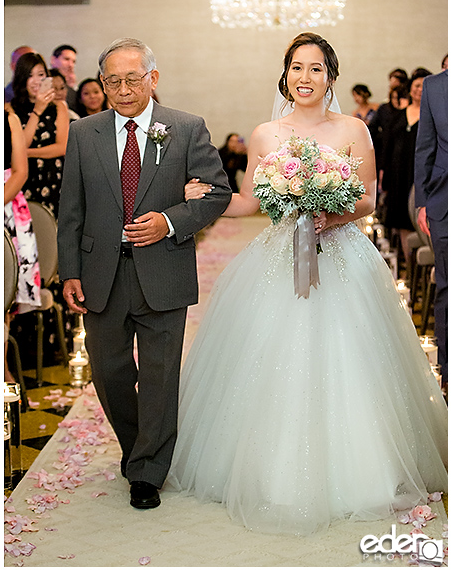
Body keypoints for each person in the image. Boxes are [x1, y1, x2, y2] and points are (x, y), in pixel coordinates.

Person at [168, 33, 447, 535]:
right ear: (285, 75)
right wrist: (207, 196)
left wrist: (331, 213)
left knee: (353, 358)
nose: (305, 78)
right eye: (296, 68)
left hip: (341, 256)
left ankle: (362, 470)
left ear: (331, 77)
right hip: (278, 258)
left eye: (316, 69)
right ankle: (268, 472)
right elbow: (250, 201)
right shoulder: (265, 134)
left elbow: (366, 199)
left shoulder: (353, 129)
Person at [57, 37, 231, 510]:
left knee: (158, 376)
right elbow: (70, 209)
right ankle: (139, 446)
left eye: (133, 78)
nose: (123, 88)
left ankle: (147, 470)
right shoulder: (84, 133)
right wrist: (68, 271)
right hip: (100, 275)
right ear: (102, 85)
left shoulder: (186, 127)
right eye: (113, 80)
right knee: (110, 373)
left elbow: (217, 192)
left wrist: (170, 222)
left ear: (153, 78)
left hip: (164, 271)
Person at [415, 67, 448, 390]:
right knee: (447, 286)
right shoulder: (435, 87)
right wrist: (422, 202)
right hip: (444, 202)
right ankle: (448, 372)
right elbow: (425, 146)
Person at [7, 52, 69, 215]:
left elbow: (62, 147)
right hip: (23, 180)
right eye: (30, 75)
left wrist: (25, 153)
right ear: (22, 79)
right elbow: (23, 142)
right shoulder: (10, 109)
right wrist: (37, 111)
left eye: (41, 74)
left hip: (53, 179)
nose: (36, 80)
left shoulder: (59, 107)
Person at [4, 107, 41, 381]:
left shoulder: (10, 117)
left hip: (5, 202)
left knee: (7, 298)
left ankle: (4, 369)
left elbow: (20, 171)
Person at [381, 68, 431, 268]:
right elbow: (387, 144)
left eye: (424, 86)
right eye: (417, 85)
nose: (420, 90)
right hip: (397, 173)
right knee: (400, 217)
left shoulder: (432, 115)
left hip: (418, 172)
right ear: (410, 89)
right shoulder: (398, 115)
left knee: (415, 214)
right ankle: (408, 264)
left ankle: (418, 266)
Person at [49, 43, 79, 111]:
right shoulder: (43, 80)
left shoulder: (73, 88)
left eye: (73, 62)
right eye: (66, 59)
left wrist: (72, 87)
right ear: (53, 60)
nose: (70, 65)